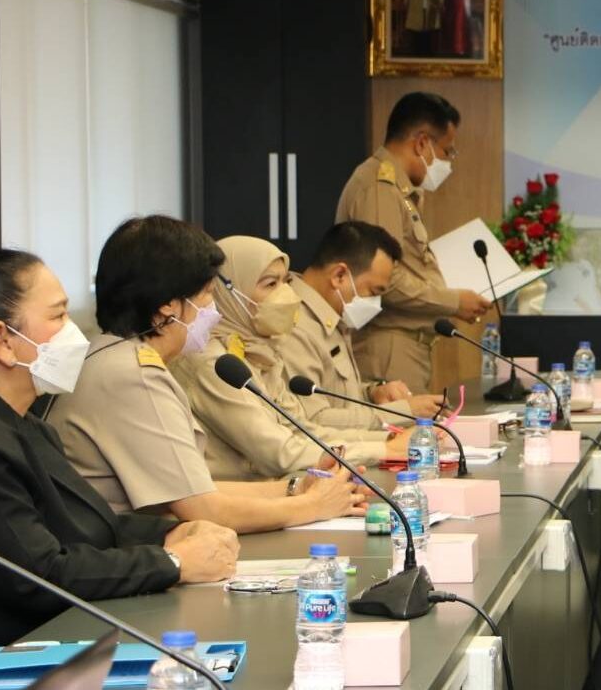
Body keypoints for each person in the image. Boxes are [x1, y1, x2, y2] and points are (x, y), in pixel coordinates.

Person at [0, 251, 238, 679]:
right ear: (3, 340)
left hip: (60, 639)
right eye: (58, 316)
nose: (73, 332)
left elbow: (85, 524)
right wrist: (172, 562)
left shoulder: (19, 422)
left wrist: (171, 533)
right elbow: (39, 573)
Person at [49, 216, 365, 532]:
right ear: (168, 307)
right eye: (208, 293)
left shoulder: (115, 357)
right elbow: (203, 509)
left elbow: (195, 490)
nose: (215, 309)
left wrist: (296, 488)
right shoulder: (134, 377)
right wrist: (312, 506)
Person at [172, 236, 409, 480]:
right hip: (245, 497)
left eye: (285, 281)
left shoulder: (259, 351)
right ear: (230, 292)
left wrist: (388, 440)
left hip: (277, 489)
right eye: (270, 284)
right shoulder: (215, 364)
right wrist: (382, 451)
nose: (285, 293)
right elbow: (279, 452)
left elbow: (302, 429)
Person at [335, 92, 492, 394]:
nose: (448, 162)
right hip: (387, 347)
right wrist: (453, 301)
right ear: (421, 143)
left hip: (404, 345)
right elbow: (384, 280)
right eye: (447, 151)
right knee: (400, 424)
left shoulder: (399, 189)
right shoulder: (379, 189)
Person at [274, 222, 445, 429]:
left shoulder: (331, 316)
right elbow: (313, 421)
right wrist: (404, 411)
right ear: (339, 276)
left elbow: (338, 397)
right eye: (373, 292)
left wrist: (373, 393)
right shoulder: (294, 325)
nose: (375, 303)